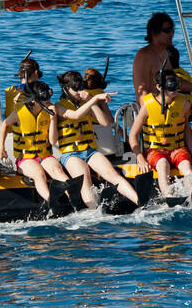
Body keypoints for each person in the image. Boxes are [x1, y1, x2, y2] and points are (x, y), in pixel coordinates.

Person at [53, 71, 140, 208]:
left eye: (80, 87)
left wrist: (89, 100)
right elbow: (75, 115)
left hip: (90, 150)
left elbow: (105, 122)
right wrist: (94, 99)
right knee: (85, 181)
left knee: (113, 175)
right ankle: (95, 213)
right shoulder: (58, 106)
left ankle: (139, 202)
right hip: (71, 153)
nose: (79, 92)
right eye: (75, 88)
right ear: (66, 88)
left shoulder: (86, 103)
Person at [129, 68, 192, 197]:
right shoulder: (147, 106)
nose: (175, 89)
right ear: (159, 87)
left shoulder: (184, 104)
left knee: (186, 166)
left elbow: (186, 127)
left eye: (176, 85)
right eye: (170, 86)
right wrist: (140, 159)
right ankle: (168, 195)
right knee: (163, 166)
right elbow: (133, 135)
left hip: (177, 148)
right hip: (155, 150)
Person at [0, 80, 68, 213]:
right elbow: (5, 124)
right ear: (34, 99)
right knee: (39, 174)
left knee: (57, 170)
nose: (47, 101)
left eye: (48, 97)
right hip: (25, 158)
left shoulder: (49, 111)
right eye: (43, 98)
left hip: (44, 155)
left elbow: (52, 141)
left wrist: (53, 119)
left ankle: (73, 196)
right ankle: (51, 201)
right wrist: (1, 147)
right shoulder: (19, 112)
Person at [132, 11, 176, 101]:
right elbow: (142, 94)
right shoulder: (144, 56)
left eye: (172, 30)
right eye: (167, 31)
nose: (171, 34)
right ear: (154, 33)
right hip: (152, 111)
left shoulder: (164, 53)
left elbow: (177, 81)